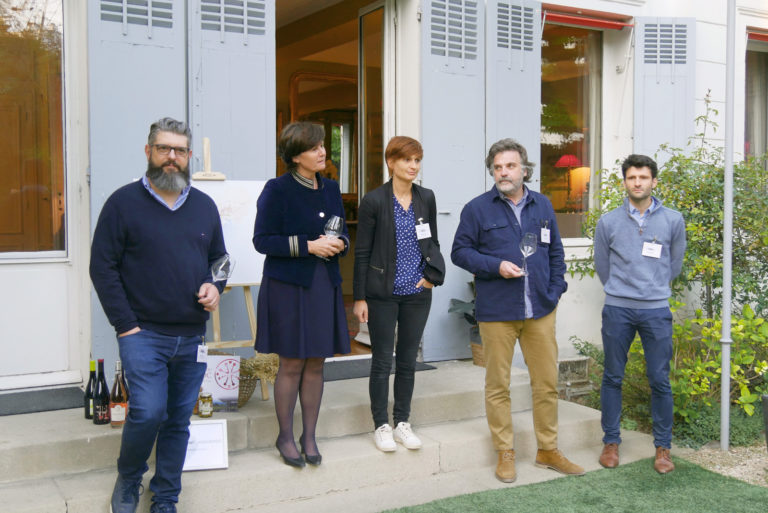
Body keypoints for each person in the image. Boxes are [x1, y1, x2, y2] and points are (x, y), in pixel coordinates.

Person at [90, 117, 227, 513]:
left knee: (178, 420)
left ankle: (165, 496)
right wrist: (126, 327)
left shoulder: (204, 206)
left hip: (191, 335)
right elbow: (102, 267)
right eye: (164, 148)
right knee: (148, 412)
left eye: (179, 150)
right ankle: (129, 477)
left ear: (188, 156)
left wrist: (215, 286)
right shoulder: (122, 203)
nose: (172, 157)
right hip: (143, 334)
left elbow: (219, 259)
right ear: (148, 151)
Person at [451, 138, 584, 483]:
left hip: (540, 308)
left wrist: (555, 291)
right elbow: (460, 252)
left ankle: (548, 449)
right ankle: (505, 452)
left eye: (510, 166)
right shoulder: (477, 209)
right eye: (497, 167)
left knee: (547, 383)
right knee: (498, 385)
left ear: (524, 169)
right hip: (498, 312)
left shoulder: (543, 205)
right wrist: (496, 266)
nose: (503, 173)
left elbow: (555, 252)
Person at [253, 121, 350, 468]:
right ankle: (285, 436)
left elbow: (340, 231)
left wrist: (339, 244)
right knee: (292, 362)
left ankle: (309, 436)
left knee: (316, 362)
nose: (323, 152)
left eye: (322, 145)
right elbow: (262, 240)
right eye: (314, 147)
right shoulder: (277, 189)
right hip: (288, 287)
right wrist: (309, 246)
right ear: (295, 156)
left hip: (324, 283)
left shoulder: (331, 188)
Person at [594, 154, 686, 474]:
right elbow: (602, 266)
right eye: (632, 177)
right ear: (625, 182)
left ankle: (663, 447)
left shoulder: (673, 220)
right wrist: (621, 290)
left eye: (643, 177)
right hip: (618, 309)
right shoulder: (608, 222)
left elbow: (674, 264)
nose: (637, 183)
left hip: (655, 310)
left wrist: (653, 287)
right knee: (612, 376)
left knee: (659, 379)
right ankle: (611, 441)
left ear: (653, 182)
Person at [353, 136, 446, 452]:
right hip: (383, 293)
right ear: (391, 162)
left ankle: (402, 422)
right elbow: (362, 252)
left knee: (407, 360)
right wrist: (360, 297)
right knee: (382, 361)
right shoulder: (374, 201)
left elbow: (432, 242)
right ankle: (381, 425)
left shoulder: (426, 197)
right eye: (407, 159)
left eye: (417, 160)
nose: (413, 166)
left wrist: (430, 278)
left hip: (417, 293)